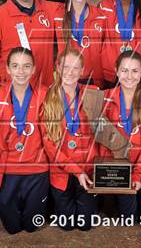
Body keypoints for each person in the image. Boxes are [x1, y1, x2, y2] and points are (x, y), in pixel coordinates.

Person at [0, 47, 49, 234]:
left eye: (26, 66)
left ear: (34, 69)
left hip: (37, 171)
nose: (21, 71)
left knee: (32, 226)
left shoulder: (45, 95)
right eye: (16, 66)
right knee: (12, 228)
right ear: (8, 69)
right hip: (7, 170)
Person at [40, 48, 99, 231]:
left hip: (87, 169)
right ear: (57, 68)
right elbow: (50, 145)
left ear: (82, 70)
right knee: (66, 225)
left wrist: (93, 168)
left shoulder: (93, 94)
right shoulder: (48, 97)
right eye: (66, 67)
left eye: (76, 68)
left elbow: (101, 135)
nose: (70, 73)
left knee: (86, 225)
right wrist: (75, 171)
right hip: (61, 171)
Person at [100, 50, 141, 220]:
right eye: (124, 70)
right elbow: (103, 142)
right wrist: (114, 171)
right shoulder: (105, 99)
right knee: (124, 221)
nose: (129, 76)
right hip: (119, 173)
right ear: (116, 71)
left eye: (135, 71)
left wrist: (138, 175)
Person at [54, 0, 105, 87]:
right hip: (66, 79)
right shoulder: (57, 14)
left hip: (92, 81)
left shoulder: (101, 16)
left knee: (89, 106)